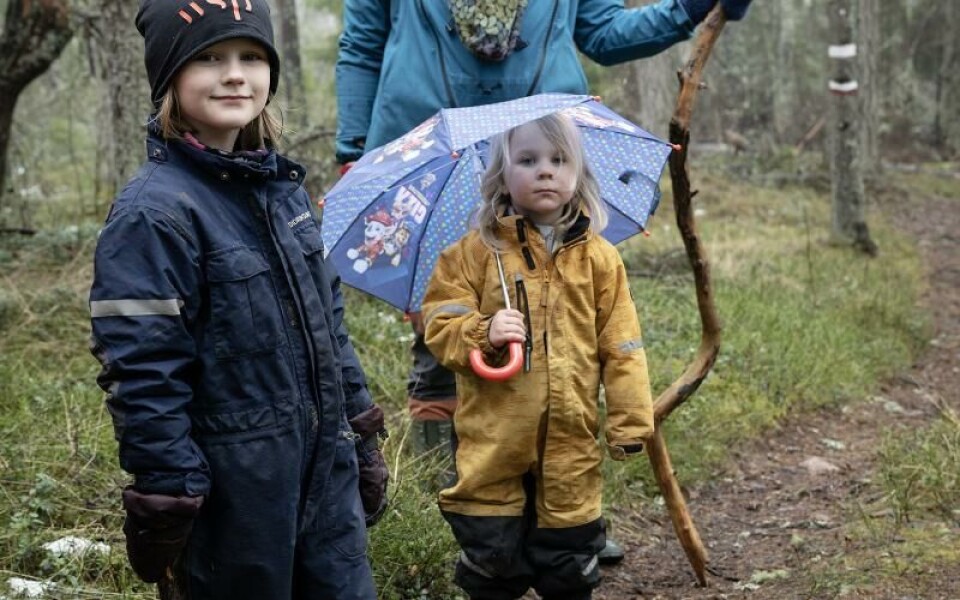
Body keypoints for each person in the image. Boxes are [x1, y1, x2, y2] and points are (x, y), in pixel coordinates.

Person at [334, 0, 750, 562]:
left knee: (566, 330)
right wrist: (354, 150)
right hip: (435, 152)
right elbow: (361, 46)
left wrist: (688, 7)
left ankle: (564, 518)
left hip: (545, 143)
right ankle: (464, 517)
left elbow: (604, 32)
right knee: (447, 329)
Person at [88, 1, 386, 597]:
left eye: (251, 56)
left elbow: (330, 329)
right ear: (169, 76)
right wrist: (167, 493)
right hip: (234, 500)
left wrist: (362, 428)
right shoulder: (154, 213)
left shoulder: (285, 195)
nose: (234, 74)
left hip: (325, 478)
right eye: (208, 57)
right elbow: (144, 368)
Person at [420, 113, 655, 600]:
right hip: (494, 443)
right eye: (527, 160)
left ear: (578, 174)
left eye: (558, 159)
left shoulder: (600, 259)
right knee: (492, 563)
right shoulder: (471, 255)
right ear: (501, 176)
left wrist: (631, 421)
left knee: (568, 563)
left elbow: (623, 347)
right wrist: (483, 329)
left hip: (570, 441)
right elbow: (440, 328)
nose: (544, 170)